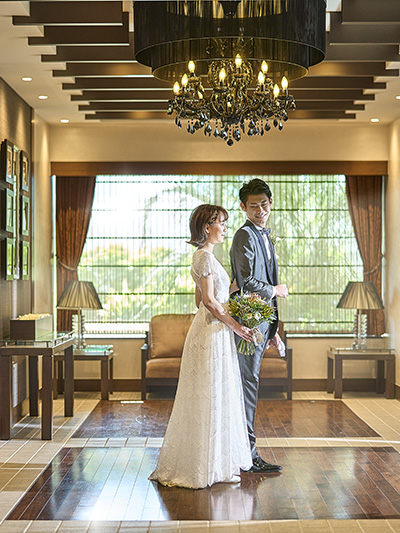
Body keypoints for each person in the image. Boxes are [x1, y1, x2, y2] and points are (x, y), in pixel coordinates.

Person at [149, 204, 253, 489]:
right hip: (211, 331)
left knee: (214, 392)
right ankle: (204, 466)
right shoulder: (204, 257)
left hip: (212, 329)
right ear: (207, 226)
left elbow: (201, 299)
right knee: (209, 392)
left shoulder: (205, 257)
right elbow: (207, 302)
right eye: (222, 223)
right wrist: (237, 326)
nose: (225, 228)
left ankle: (213, 463)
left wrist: (233, 291)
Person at [230, 178, 289, 473]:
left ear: (271, 203)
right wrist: (275, 290)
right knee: (247, 385)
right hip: (248, 322)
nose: (260, 210)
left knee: (249, 384)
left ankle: (244, 450)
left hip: (262, 322)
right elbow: (246, 282)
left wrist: (273, 329)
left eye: (264, 204)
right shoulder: (244, 235)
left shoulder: (264, 235)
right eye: (253, 205)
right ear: (243, 207)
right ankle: (248, 454)